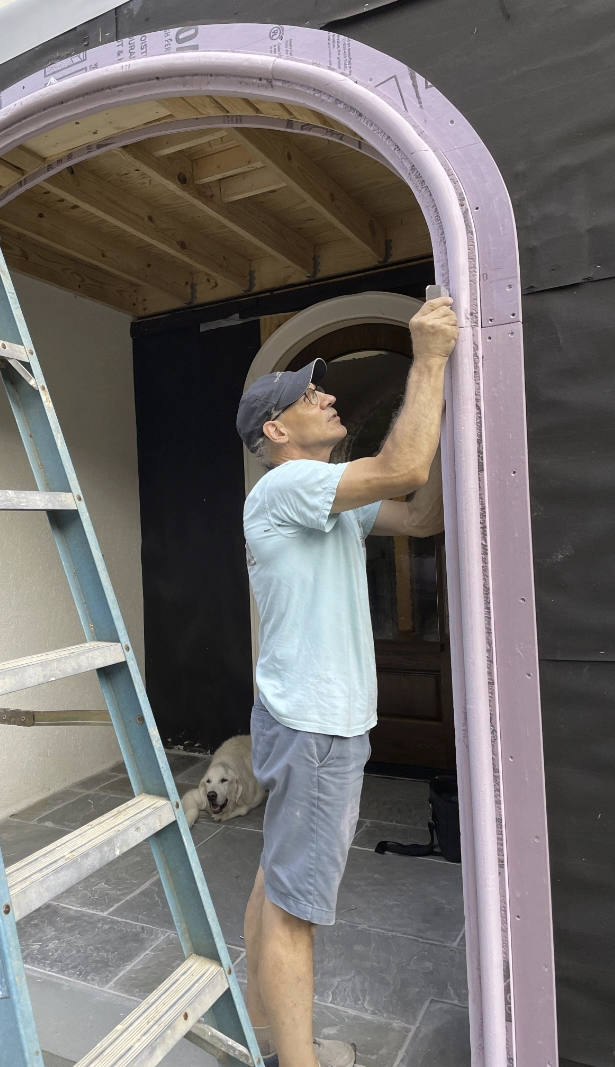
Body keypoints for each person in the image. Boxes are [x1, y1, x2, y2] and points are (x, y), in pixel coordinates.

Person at [235, 296, 459, 1067]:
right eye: (309, 395)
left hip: (299, 716)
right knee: (296, 908)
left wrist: (449, 402)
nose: (327, 396)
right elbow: (403, 466)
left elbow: (419, 511)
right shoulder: (288, 486)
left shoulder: (324, 505)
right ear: (276, 430)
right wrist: (427, 358)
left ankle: (278, 1042)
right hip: (316, 724)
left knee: (275, 882)